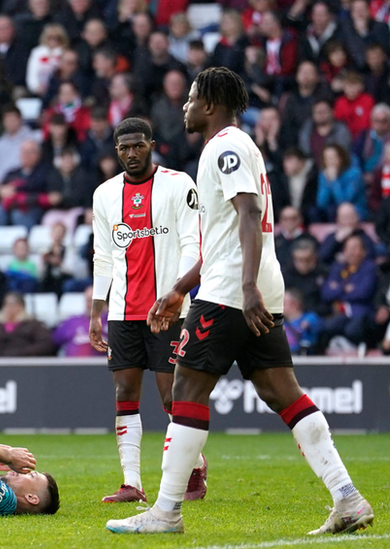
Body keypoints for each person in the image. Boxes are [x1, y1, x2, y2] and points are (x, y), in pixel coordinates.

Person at [108, 68, 374, 535]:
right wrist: (179, 288)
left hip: (233, 290)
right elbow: (223, 236)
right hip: (248, 284)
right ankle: (347, 497)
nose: (186, 107)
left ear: (209, 104)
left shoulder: (226, 146)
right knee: (280, 391)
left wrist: (245, 287)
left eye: (190, 99)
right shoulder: (235, 146)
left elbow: (248, 212)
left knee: (187, 390)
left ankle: (166, 511)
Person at [89, 117, 204, 504]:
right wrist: (96, 309)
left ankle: (193, 466)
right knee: (124, 392)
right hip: (122, 313)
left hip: (167, 310)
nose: (131, 153)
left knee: (171, 397)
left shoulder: (178, 184)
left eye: (138, 145)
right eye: (124, 148)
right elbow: (102, 255)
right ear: (116, 151)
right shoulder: (105, 194)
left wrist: (176, 293)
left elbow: (193, 244)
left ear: (152, 145)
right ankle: (132, 483)